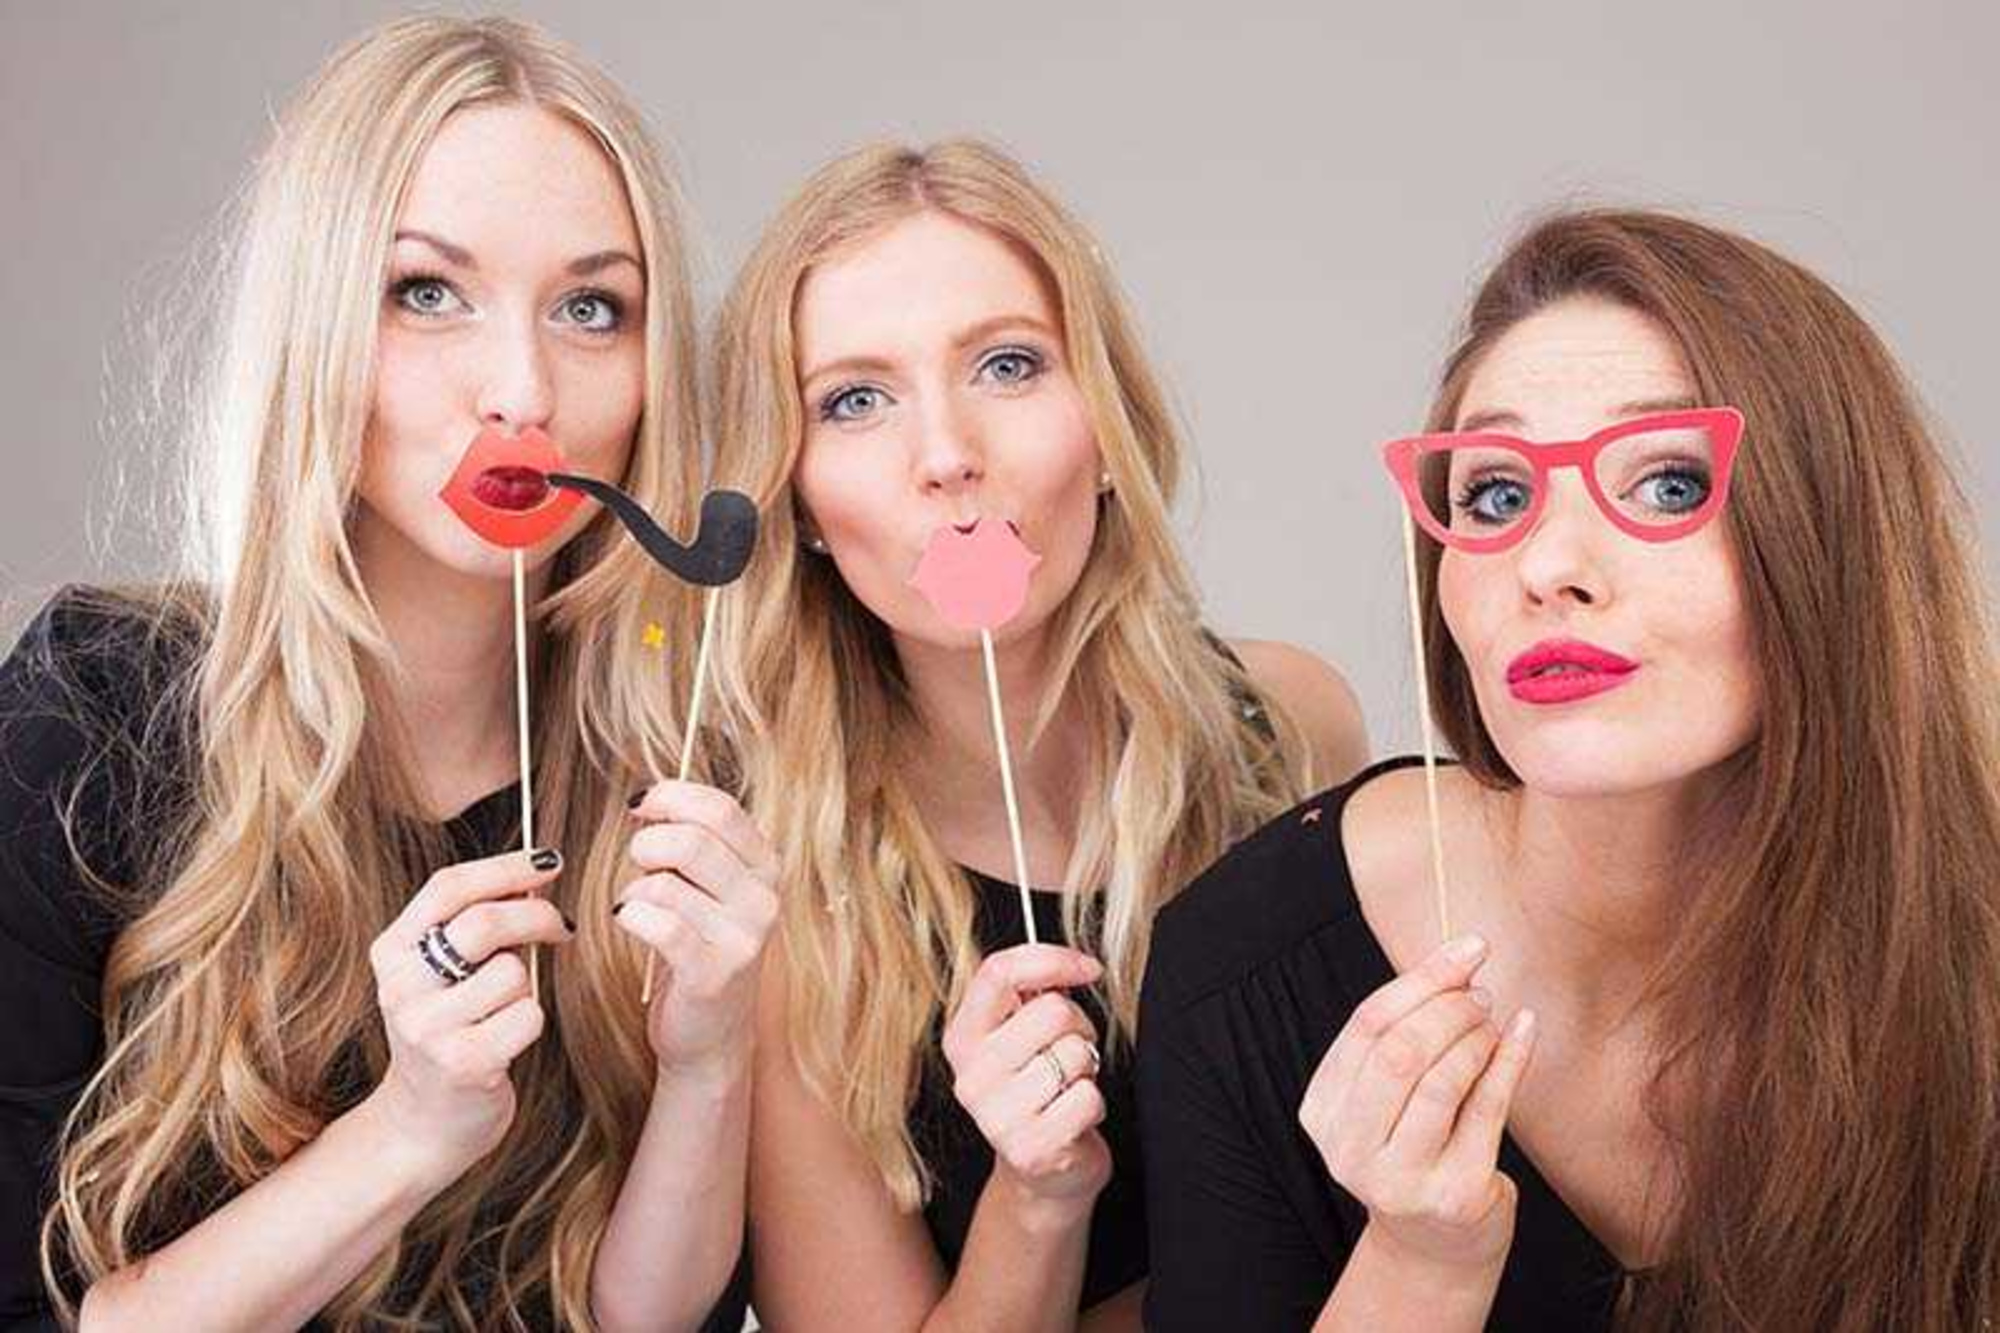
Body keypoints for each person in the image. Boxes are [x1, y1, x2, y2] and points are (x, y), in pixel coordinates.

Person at [0, 17, 770, 1330]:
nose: (522, 388)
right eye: (427, 292)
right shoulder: (98, 710)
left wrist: (709, 1064)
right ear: (316, 328)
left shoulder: (681, 771)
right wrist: (408, 1129)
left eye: (592, 309)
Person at [1138, 207, 2000, 1331]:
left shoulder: (1966, 960)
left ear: (1833, 539)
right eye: (1494, 494)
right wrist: (1417, 1262)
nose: (1547, 564)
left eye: (1666, 486)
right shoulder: (1238, 967)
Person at [700, 139, 1368, 1329]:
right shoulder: (781, 919)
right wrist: (1037, 1199)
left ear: (1104, 427)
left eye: (1007, 365)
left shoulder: (1294, 731)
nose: (947, 454)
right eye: (855, 399)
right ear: (797, 502)